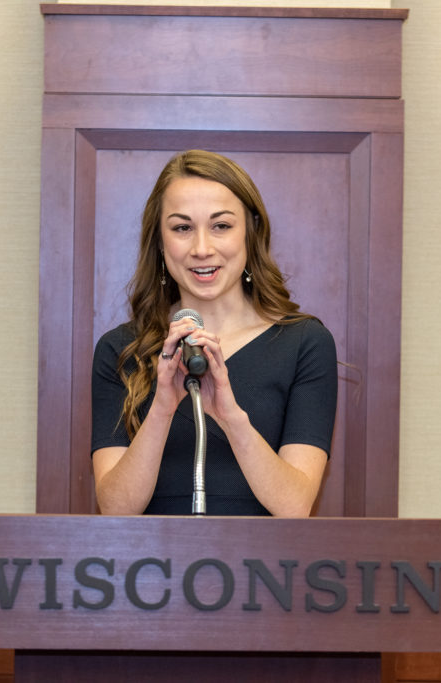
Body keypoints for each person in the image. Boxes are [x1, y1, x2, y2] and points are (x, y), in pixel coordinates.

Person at [90, 150, 337, 516]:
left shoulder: (304, 343)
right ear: (159, 242)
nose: (202, 249)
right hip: (150, 568)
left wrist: (230, 416)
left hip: (263, 570)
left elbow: (295, 505)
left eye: (221, 226)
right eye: (182, 228)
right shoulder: (120, 350)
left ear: (251, 234)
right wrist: (161, 407)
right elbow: (115, 510)